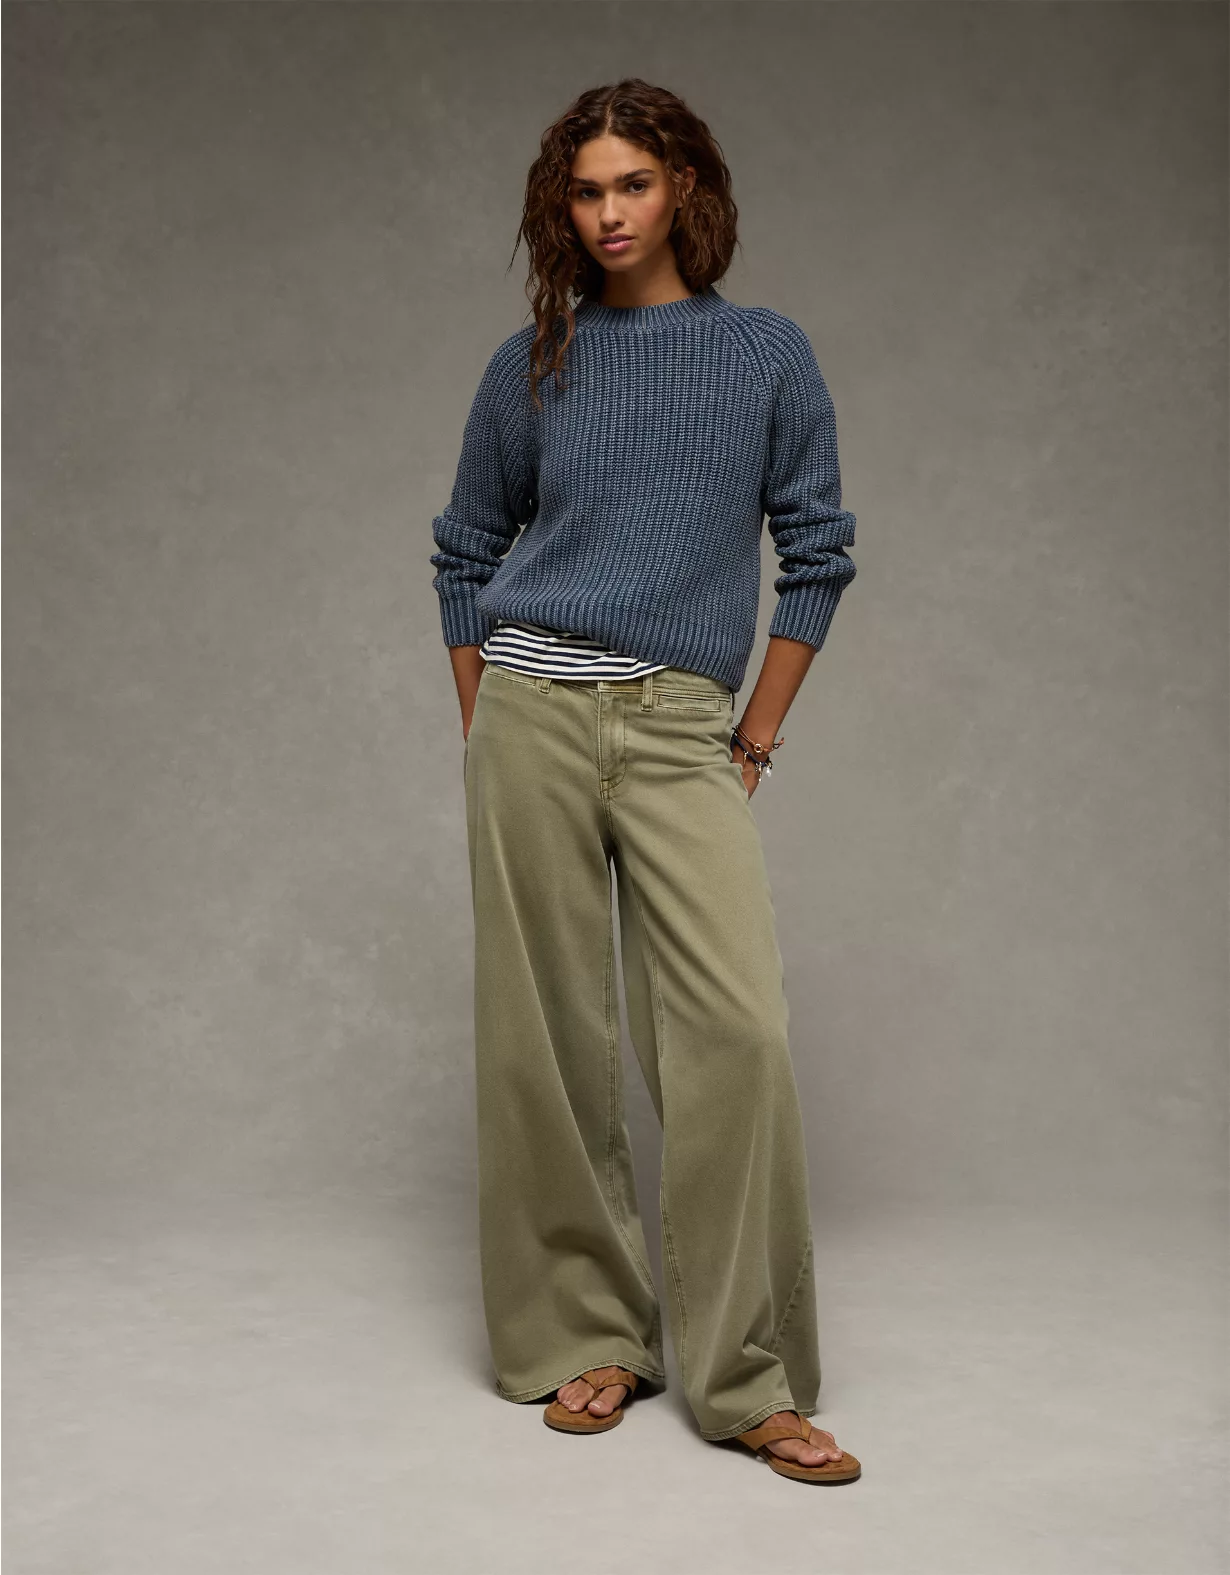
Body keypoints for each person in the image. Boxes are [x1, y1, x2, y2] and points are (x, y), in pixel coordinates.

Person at [429, 77, 861, 1486]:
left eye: (632, 184)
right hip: (532, 717)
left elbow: (817, 553)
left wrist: (752, 738)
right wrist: (486, 725)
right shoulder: (532, 364)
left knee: (737, 1032)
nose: (607, 213)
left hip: (682, 725)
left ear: (685, 190)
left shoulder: (764, 354)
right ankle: (586, 1335)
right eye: (584, 190)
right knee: (547, 1040)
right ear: (560, 208)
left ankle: (746, 1374)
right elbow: (464, 550)